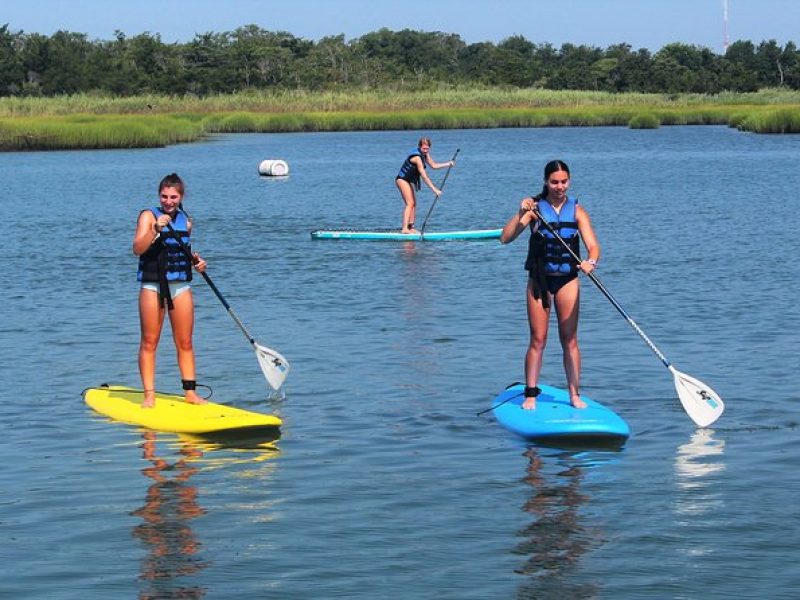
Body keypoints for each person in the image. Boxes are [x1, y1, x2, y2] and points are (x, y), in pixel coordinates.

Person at [501, 160, 601, 410]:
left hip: (567, 279)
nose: (559, 186)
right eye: (554, 182)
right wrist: (520, 213)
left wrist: (591, 261)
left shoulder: (577, 210)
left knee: (570, 339)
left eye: (564, 181)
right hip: (540, 280)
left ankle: (575, 395)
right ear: (546, 182)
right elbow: (505, 238)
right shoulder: (535, 209)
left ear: (569, 181)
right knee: (538, 338)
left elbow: (593, 246)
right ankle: (531, 394)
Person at [133, 173, 208, 409]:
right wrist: (155, 229)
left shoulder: (186, 220)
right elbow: (137, 248)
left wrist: (197, 261)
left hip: (180, 286)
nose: (168, 201)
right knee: (149, 341)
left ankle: (190, 393)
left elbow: (184, 251)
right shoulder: (148, 216)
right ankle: (149, 395)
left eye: (173, 197)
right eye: (164, 196)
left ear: (181, 197)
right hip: (153, 286)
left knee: (185, 342)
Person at [395, 137, 455, 234]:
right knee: (410, 203)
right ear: (419, 147)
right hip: (401, 180)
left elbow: (434, 166)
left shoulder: (425, 154)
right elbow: (424, 177)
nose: (426, 151)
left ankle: (411, 227)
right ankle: (404, 228)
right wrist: (435, 190)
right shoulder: (417, 158)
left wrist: (448, 164)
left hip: (407, 181)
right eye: (424, 149)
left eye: (427, 149)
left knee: (414, 204)